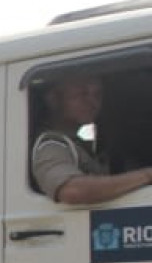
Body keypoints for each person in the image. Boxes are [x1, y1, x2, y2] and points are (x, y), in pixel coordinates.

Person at [30, 76, 152, 205]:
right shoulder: (52, 145)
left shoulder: (79, 146)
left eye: (97, 95)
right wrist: (147, 175)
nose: (92, 102)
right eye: (82, 94)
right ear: (53, 99)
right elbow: (72, 191)